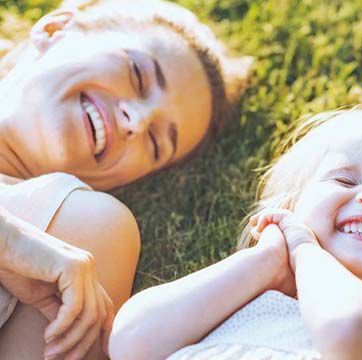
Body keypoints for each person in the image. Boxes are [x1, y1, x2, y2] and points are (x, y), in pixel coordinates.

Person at [109, 107, 362, 360]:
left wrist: (306, 252)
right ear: (289, 213)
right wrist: (265, 262)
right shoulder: (234, 298)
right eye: (344, 179)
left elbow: (352, 330)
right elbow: (130, 342)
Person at [0, 0, 251, 358]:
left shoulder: (86, 231)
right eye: (137, 75)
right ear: (55, 29)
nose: (137, 120)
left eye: (154, 143)